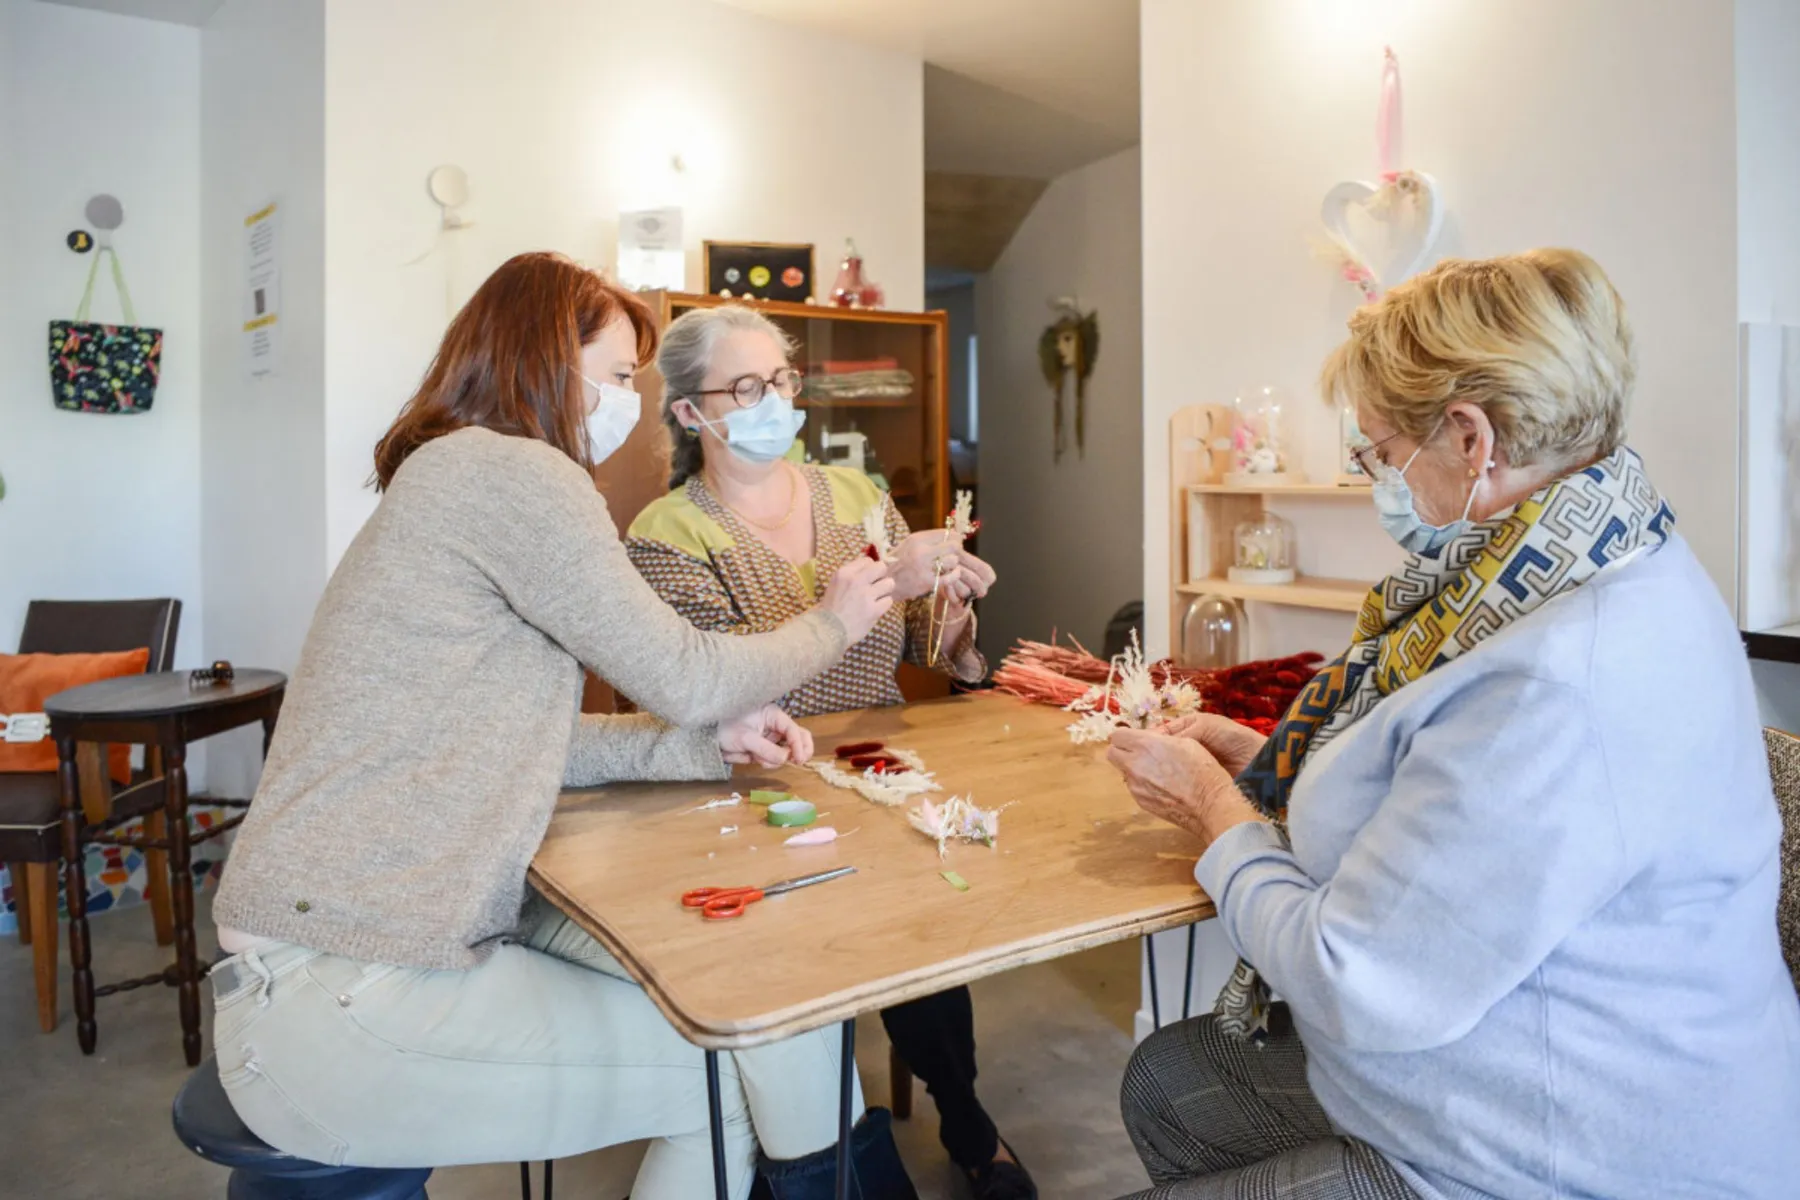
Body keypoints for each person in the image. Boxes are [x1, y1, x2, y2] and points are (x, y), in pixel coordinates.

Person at [208, 252, 917, 1200]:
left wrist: (700, 748)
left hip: (346, 945)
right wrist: (835, 619)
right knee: (722, 1074)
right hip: (347, 976)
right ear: (548, 360)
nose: (630, 402)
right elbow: (687, 673)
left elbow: (518, 733)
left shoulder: (450, 472)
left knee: (771, 1002)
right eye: (622, 377)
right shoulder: (513, 475)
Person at [1107, 249, 1800, 1200]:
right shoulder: (1587, 558)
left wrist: (1214, 815)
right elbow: (1445, 794)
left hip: (1576, 1149)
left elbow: (1355, 978)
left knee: (1184, 1086)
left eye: (1383, 454)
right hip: (1502, 1057)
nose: (1377, 480)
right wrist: (1269, 766)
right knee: (1172, 1081)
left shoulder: (1560, 678)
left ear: (1471, 438)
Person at [626, 305, 1034, 1200]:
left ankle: (964, 1116)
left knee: (926, 938)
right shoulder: (667, 533)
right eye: (744, 387)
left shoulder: (852, 495)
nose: (772, 400)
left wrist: (947, 593)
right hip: (752, 785)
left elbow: (922, 643)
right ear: (691, 413)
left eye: (781, 381)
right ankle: (808, 1138)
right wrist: (842, 608)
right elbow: (714, 689)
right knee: (799, 963)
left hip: (878, 763)